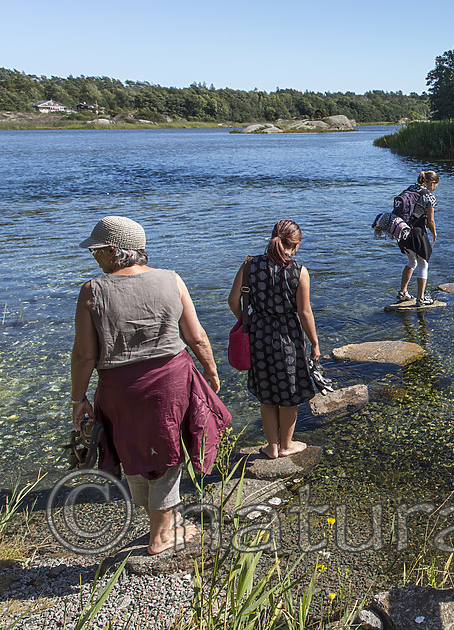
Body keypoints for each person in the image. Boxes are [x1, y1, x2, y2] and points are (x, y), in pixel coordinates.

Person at [71, 215, 231, 555]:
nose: (93, 257)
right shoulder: (171, 280)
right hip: (170, 381)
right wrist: (211, 371)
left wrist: (78, 399)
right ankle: (161, 537)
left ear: (114, 251)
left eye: (96, 250)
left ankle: (161, 525)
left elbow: (85, 356)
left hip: (117, 388)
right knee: (167, 451)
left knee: (132, 452)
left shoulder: (92, 291)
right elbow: (197, 337)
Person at [228, 219, 320, 459]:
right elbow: (305, 312)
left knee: (267, 393)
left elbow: (232, 300)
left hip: (258, 334)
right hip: (288, 336)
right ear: (296, 245)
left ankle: (271, 446)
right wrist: (315, 343)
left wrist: (247, 320)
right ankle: (286, 445)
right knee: (289, 394)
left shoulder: (250, 265)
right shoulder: (298, 271)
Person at [397, 170, 439, 305]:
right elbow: (431, 221)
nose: (435, 189)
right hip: (416, 232)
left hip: (402, 231)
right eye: (436, 186)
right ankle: (421, 299)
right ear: (432, 183)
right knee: (423, 264)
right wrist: (434, 233)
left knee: (412, 262)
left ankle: (403, 293)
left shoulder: (410, 189)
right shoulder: (429, 196)